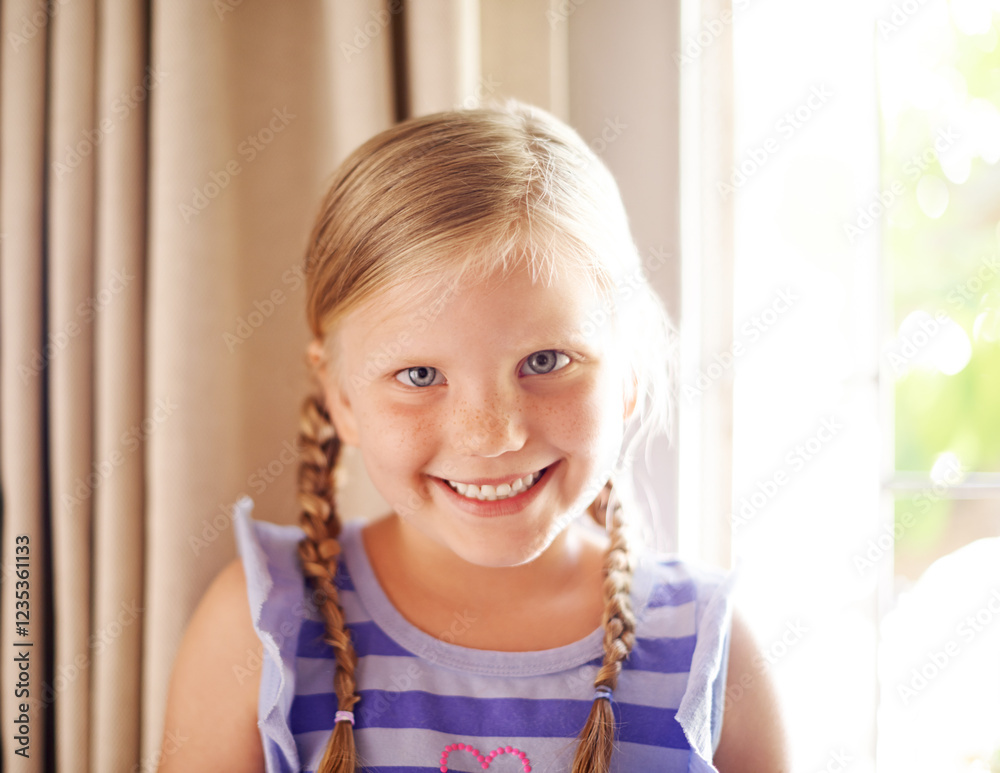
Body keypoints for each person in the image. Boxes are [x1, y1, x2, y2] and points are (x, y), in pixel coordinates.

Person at [159, 99, 788, 773]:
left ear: (629, 375)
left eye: (545, 361)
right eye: (420, 374)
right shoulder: (260, 630)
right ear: (340, 395)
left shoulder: (710, 652)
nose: (491, 436)